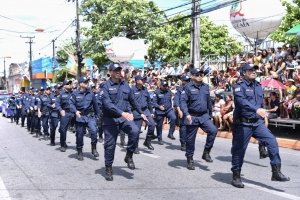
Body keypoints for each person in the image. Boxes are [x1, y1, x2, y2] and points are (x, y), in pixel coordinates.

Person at [231, 63, 290, 188]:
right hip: (242, 123)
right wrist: (256, 110)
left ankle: (276, 172)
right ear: (244, 73)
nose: (254, 71)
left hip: (257, 122)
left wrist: (263, 116)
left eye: (255, 70)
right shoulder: (238, 86)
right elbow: (241, 102)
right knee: (239, 150)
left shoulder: (258, 86)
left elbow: (260, 103)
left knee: (272, 141)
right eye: (250, 70)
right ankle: (236, 176)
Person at [101, 63, 142, 181]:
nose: (119, 72)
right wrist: (122, 113)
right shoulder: (105, 86)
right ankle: (108, 167)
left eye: (120, 70)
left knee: (135, 131)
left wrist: (142, 113)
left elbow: (133, 101)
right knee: (110, 145)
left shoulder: (125, 85)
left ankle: (129, 155)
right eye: (116, 70)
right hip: (110, 119)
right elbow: (107, 104)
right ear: (111, 72)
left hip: (123, 118)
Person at [180, 68, 218, 170]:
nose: (200, 76)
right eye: (197, 74)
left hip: (204, 115)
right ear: (192, 76)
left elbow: (208, 102)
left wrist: (210, 114)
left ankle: (206, 152)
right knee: (190, 140)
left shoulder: (206, 87)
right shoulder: (187, 87)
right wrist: (186, 114)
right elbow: (183, 102)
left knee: (213, 130)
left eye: (201, 74)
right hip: (192, 116)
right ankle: (190, 159)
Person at [70, 76, 100, 161]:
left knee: (94, 131)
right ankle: (79, 151)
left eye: (87, 82)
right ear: (80, 84)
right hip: (80, 116)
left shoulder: (91, 93)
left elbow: (96, 105)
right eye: (85, 82)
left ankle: (93, 148)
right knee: (79, 135)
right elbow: (71, 104)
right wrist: (75, 111)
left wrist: (98, 117)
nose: (87, 83)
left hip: (90, 116)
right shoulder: (75, 94)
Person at [131, 75, 156, 153]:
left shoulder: (145, 89)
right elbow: (131, 102)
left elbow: (149, 101)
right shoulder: (132, 90)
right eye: (142, 80)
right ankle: (135, 146)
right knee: (137, 130)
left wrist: (151, 112)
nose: (144, 81)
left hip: (145, 110)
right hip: (136, 111)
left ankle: (147, 141)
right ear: (137, 81)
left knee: (152, 124)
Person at [153, 80, 177, 144]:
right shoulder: (156, 92)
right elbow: (154, 103)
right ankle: (159, 138)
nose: (165, 87)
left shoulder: (169, 92)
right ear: (160, 86)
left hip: (168, 109)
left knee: (174, 118)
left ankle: (170, 133)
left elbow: (174, 97)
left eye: (166, 86)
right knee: (159, 125)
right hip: (159, 111)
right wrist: (159, 106)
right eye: (164, 86)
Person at [173, 75, 190, 151]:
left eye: (188, 81)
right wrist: (179, 110)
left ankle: (189, 142)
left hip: (190, 111)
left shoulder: (191, 88)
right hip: (182, 111)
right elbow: (176, 101)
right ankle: (183, 143)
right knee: (183, 127)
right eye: (185, 81)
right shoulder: (179, 89)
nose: (186, 82)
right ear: (182, 81)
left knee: (190, 128)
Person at [56, 80, 74, 152]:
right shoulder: (61, 94)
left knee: (80, 128)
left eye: (70, 83)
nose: (70, 84)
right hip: (65, 113)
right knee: (63, 130)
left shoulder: (74, 93)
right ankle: (63, 144)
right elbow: (57, 104)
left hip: (73, 113)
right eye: (68, 84)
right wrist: (60, 110)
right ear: (64, 86)